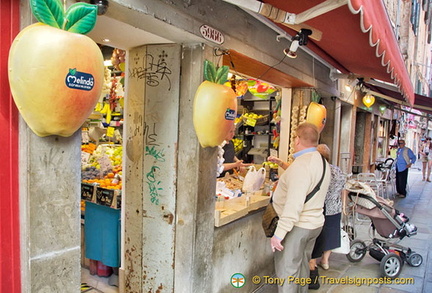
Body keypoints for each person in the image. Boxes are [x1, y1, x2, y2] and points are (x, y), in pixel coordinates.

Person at [270, 122, 331, 293]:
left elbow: (294, 205)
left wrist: (278, 234)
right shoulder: (322, 161)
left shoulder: (302, 165)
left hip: (298, 227)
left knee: (288, 271)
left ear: (297, 140)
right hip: (315, 224)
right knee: (303, 267)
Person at [308, 144, 346, 290]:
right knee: (331, 233)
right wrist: (343, 206)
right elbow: (344, 187)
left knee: (319, 236)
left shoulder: (319, 170)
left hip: (320, 207)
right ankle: (325, 260)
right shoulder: (337, 170)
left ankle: (314, 263)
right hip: (334, 207)